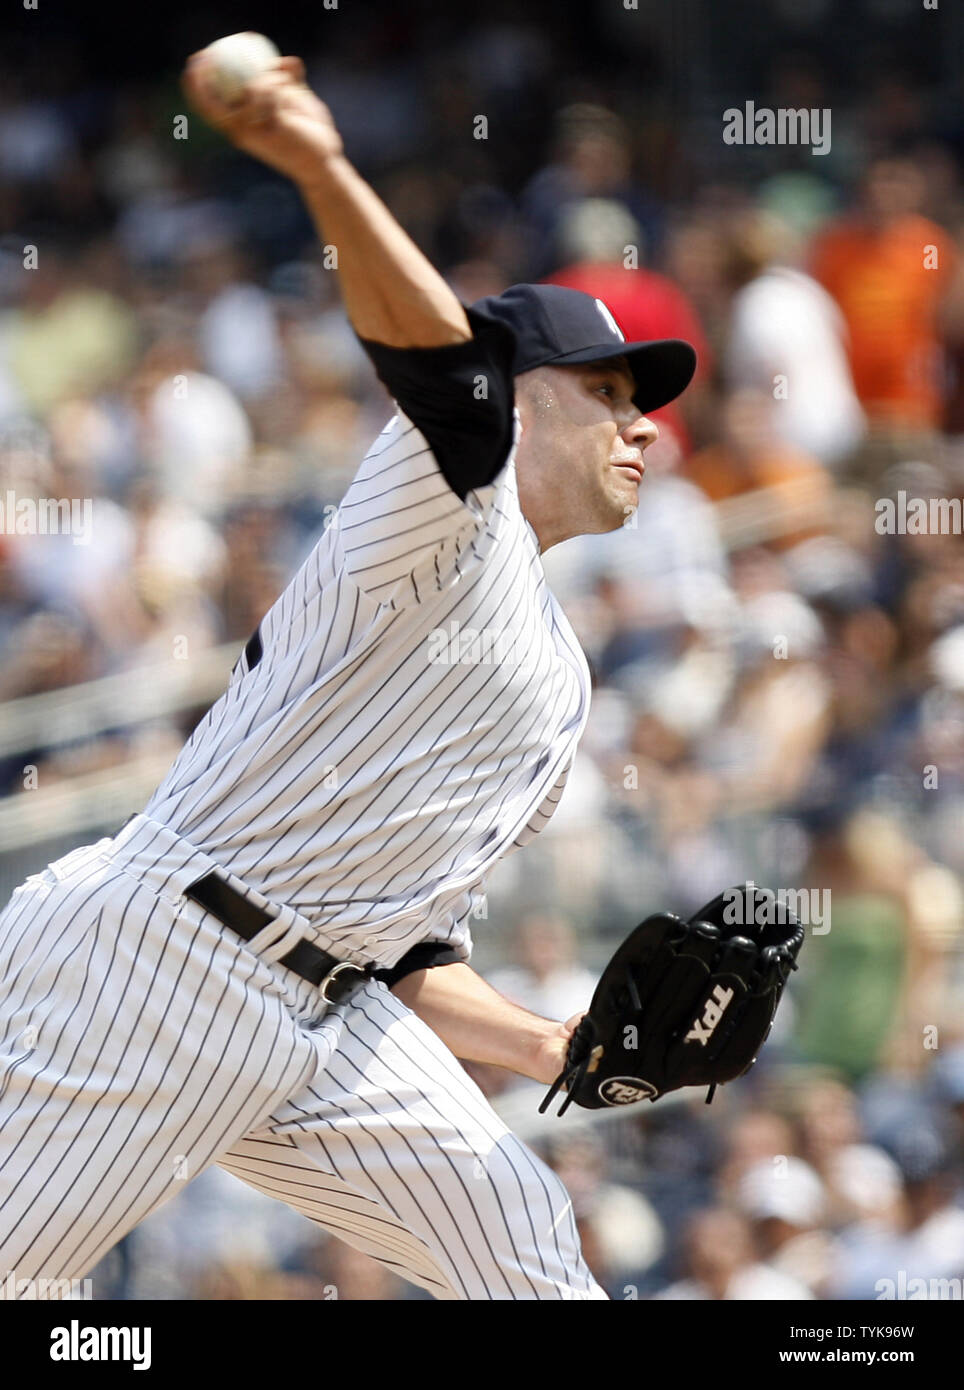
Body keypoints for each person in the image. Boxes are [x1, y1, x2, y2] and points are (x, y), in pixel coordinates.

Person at [0, 50, 695, 1300]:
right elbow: (441, 369)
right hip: (160, 957)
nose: (639, 421)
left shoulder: (557, 673)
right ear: (522, 404)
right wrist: (317, 162)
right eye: (603, 390)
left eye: (636, 398)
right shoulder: (447, 506)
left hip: (326, 1016)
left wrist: (560, 1041)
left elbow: (414, 952)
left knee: (521, 1245)